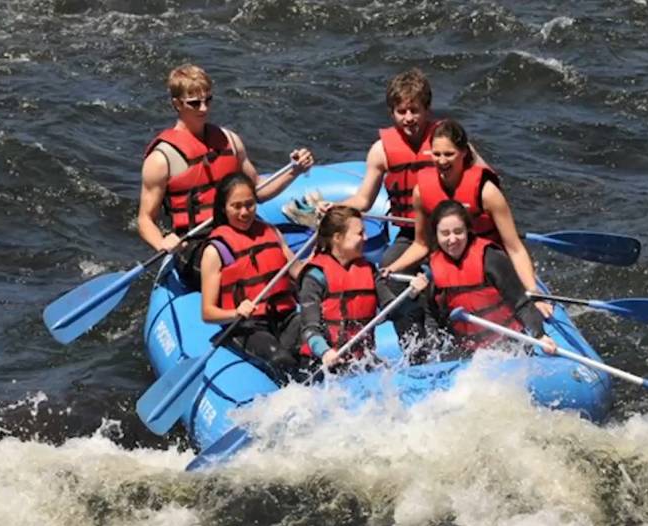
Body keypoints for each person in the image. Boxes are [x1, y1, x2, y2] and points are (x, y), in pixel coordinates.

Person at [314, 68, 486, 341]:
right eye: (401, 111)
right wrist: (334, 207)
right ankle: (414, 339)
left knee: (451, 277)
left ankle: (454, 328)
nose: (408, 119)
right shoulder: (381, 151)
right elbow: (363, 200)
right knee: (388, 272)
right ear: (392, 113)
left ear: (427, 109)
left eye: (414, 110)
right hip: (412, 234)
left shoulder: (448, 142)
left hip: (452, 232)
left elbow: (485, 182)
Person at [138, 63, 314, 285]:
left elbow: (258, 189)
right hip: (197, 241)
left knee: (274, 239)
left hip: (238, 225)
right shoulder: (161, 159)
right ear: (177, 104)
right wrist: (162, 242)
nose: (203, 109)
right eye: (194, 103)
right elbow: (145, 219)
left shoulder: (230, 140)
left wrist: (295, 171)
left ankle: (304, 282)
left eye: (208, 100)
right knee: (239, 260)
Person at [384, 119, 554, 318]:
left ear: (464, 153)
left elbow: (514, 247)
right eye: (436, 154)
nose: (442, 161)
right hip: (447, 265)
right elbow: (422, 245)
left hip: (489, 266)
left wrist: (533, 291)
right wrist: (391, 268)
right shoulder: (421, 192)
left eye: (449, 154)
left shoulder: (487, 192)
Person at [199, 174, 304, 383]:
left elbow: (298, 271)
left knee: (320, 340)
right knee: (281, 359)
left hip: (285, 317)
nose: (244, 212)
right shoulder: (215, 251)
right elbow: (208, 313)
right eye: (236, 206)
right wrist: (235, 312)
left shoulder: (271, 232)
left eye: (250, 205)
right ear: (223, 208)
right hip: (246, 326)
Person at [299, 206, 428, 371]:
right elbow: (310, 329)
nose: (366, 238)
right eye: (359, 233)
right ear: (338, 238)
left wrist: (412, 293)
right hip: (323, 363)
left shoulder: (369, 270)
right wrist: (325, 353)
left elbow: (393, 310)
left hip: (360, 361)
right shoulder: (315, 276)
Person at [422, 200, 557, 356]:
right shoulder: (432, 267)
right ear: (436, 235)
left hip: (509, 344)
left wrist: (540, 335)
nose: (452, 239)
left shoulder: (491, 259)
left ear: (468, 230)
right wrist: (433, 349)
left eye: (458, 231)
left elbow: (521, 303)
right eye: (445, 233)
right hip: (466, 349)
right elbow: (431, 314)